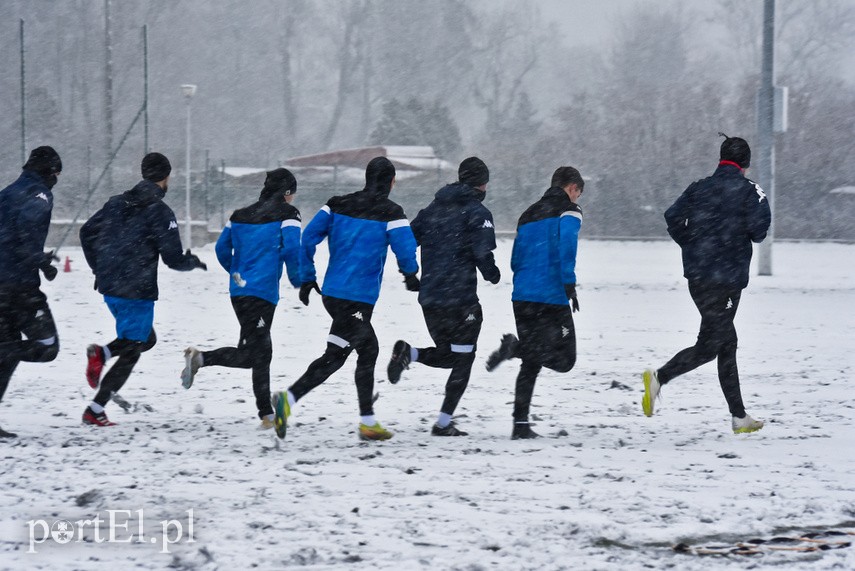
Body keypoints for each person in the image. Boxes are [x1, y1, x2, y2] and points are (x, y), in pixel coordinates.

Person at [271, 156, 419, 441]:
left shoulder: (335, 204)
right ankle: (292, 400)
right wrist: (411, 274)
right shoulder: (391, 211)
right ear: (391, 182)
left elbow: (309, 237)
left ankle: (363, 420)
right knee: (348, 353)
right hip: (357, 301)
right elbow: (405, 246)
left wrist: (307, 277)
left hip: (334, 294)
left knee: (354, 353)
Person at [642, 134, 771, 434]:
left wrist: (691, 245)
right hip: (726, 281)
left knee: (724, 343)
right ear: (745, 165)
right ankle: (659, 378)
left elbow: (672, 217)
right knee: (714, 345)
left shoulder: (698, 187)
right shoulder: (751, 191)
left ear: (721, 160)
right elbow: (759, 232)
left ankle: (739, 417)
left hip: (698, 279)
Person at [79, 152, 207, 426]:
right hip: (136, 290)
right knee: (133, 349)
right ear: (166, 177)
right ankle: (95, 409)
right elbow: (173, 259)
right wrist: (192, 262)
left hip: (110, 286)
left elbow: (86, 232)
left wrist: (98, 268)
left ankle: (102, 355)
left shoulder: (115, 203)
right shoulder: (160, 212)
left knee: (146, 339)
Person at [386, 157, 500, 436]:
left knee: (450, 355)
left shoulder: (432, 209)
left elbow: (406, 240)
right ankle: (443, 424)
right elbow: (482, 252)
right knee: (462, 359)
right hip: (460, 300)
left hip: (431, 299)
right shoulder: (478, 211)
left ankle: (409, 354)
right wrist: (492, 274)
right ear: (482, 183)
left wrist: (410, 274)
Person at [180, 168, 302, 430]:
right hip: (262, 293)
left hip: (240, 292)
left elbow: (222, 249)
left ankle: (202, 360)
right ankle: (266, 416)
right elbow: (293, 248)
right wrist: (297, 278)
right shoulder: (288, 215)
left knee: (253, 354)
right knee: (261, 353)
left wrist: (236, 272)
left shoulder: (239, 215)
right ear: (288, 192)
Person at [485, 166, 584, 440]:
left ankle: (520, 426)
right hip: (551, 297)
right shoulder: (569, 211)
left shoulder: (528, 214)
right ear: (572, 188)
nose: (577, 199)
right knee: (565, 360)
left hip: (523, 295)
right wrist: (568, 284)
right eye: (578, 194)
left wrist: (525, 281)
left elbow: (517, 257)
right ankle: (515, 348)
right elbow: (568, 247)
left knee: (532, 361)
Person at [0, 147, 63, 438]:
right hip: (19, 289)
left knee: (9, 353)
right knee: (47, 346)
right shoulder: (39, 194)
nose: (56, 181)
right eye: (56, 175)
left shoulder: (7, 192)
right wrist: (39, 260)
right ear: (50, 171)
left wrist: (40, 261)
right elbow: (25, 234)